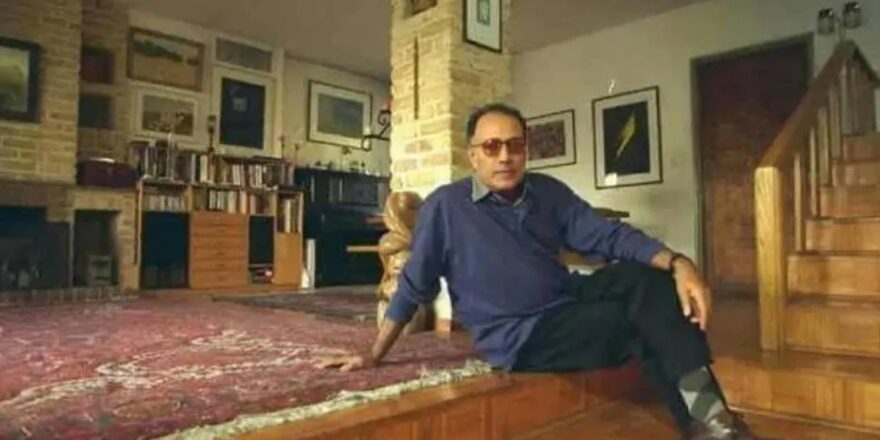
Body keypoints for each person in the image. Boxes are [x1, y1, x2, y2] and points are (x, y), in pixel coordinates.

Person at [316, 103, 756, 440]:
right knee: (644, 317)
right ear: (473, 156)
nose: (505, 156)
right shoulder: (445, 207)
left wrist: (680, 264)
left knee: (651, 278)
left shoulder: (548, 192)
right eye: (492, 147)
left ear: (526, 149)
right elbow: (415, 284)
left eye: (515, 145)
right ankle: (712, 422)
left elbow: (607, 235)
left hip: (567, 299)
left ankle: (712, 422)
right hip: (522, 333)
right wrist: (374, 353)